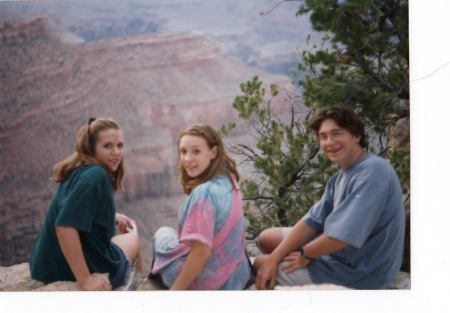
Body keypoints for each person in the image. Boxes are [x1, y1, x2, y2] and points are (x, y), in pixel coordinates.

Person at [253, 106, 405, 290]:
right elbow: (312, 221)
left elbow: (343, 237)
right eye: (323, 136)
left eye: (336, 134)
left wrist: (305, 254)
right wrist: (275, 258)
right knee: (266, 238)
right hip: (343, 253)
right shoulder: (341, 177)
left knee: (260, 264)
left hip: (359, 269)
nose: (329, 142)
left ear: (356, 135)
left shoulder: (373, 172)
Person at [30, 117, 142, 291]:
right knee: (132, 235)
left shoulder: (79, 169)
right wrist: (85, 280)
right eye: (108, 146)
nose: (116, 152)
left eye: (120, 146)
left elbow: (74, 209)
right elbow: (64, 226)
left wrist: (111, 217)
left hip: (44, 266)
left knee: (120, 233)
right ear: (92, 148)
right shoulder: (96, 175)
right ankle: (138, 286)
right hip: (66, 271)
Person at [149, 124, 254, 290]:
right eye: (183, 152)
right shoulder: (229, 179)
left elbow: (201, 253)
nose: (187, 159)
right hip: (236, 276)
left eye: (196, 151)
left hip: (209, 283)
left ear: (213, 152)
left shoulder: (204, 193)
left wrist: (174, 293)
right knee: (171, 235)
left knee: (161, 234)